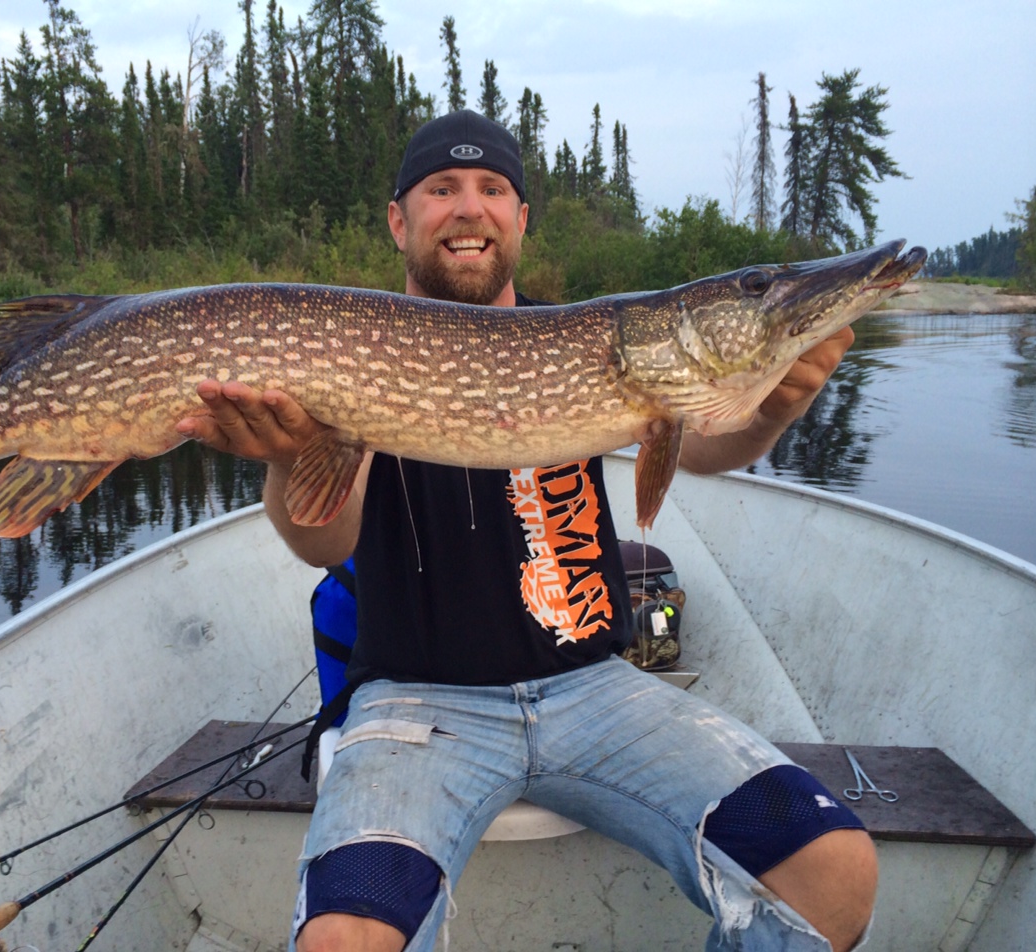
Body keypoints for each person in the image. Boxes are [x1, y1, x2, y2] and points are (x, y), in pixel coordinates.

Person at [176, 110, 873, 952]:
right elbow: (323, 545)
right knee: (342, 942)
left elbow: (705, 447)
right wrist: (291, 460)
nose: (470, 208)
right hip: (415, 703)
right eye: (442, 189)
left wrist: (777, 405)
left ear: (520, 218)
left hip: (597, 690)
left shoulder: (592, 340)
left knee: (835, 872)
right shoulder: (347, 350)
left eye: (492, 189)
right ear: (399, 220)